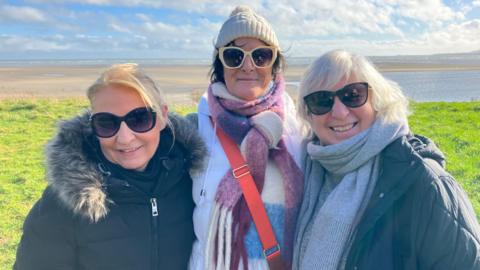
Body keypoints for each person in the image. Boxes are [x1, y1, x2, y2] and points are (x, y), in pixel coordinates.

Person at [292, 50, 480, 270]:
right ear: (308, 113)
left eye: (353, 95)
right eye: (321, 100)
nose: (340, 112)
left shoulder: (423, 182)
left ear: (377, 101)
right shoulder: (304, 172)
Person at [14, 63, 205, 270]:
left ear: (162, 117)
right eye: (107, 123)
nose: (124, 138)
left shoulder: (194, 181)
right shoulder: (64, 204)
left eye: (139, 119)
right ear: (92, 126)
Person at [188, 5, 305, 270]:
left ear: (274, 64)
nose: (248, 66)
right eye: (234, 55)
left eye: (261, 56)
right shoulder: (194, 129)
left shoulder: (300, 126)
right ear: (220, 64)